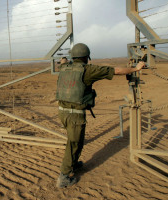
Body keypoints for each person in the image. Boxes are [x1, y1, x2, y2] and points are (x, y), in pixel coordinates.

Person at [56, 43, 145, 188]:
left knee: (77, 141)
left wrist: (64, 61)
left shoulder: (64, 67)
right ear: (86, 57)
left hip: (62, 112)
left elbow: (64, 62)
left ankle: (73, 164)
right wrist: (136, 68)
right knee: (73, 143)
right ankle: (64, 177)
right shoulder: (87, 70)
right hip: (75, 115)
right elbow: (115, 70)